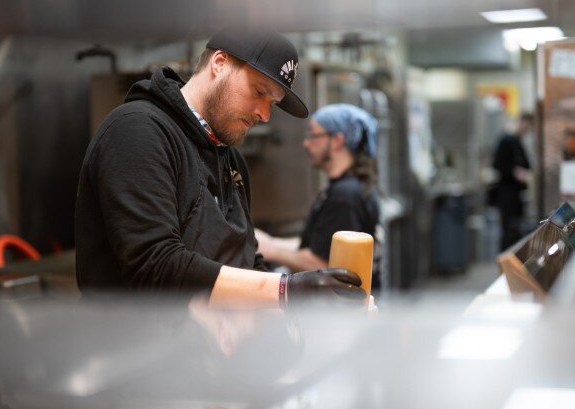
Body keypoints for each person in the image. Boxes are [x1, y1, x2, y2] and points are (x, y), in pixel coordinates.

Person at [75, 29, 365, 309]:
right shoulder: (137, 131)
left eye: (272, 104)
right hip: (135, 352)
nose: (264, 115)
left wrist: (294, 315)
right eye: (259, 92)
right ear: (220, 63)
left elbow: (246, 260)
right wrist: (285, 290)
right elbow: (156, 267)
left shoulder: (231, 161)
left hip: (206, 354)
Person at [255, 104, 381, 288]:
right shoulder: (347, 187)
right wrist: (269, 242)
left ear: (337, 140)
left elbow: (325, 265)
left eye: (314, 135)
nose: (307, 143)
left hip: (343, 312)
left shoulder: (345, 196)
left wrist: (271, 250)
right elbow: (319, 246)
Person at [492, 113, 533, 251]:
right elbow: (497, 164)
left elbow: (527, 165)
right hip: (506, 193)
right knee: (508, 230)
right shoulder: (506, 140)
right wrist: (515, 172)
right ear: (521, 122)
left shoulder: (518, 142)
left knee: (516, 229)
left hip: (517, 194)